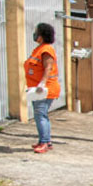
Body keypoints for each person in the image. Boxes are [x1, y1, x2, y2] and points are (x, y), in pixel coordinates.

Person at [24, 22, 60, 154]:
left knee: (41, 115)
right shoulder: (40, 49)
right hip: (38, 89)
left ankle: (44, 142)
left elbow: (48, 68)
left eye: (36, 32)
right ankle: (44, 140)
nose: (35, 34)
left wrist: (42, 83)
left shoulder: (46, 50)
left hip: (45, 89)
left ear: (42, 35)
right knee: (40, 115)